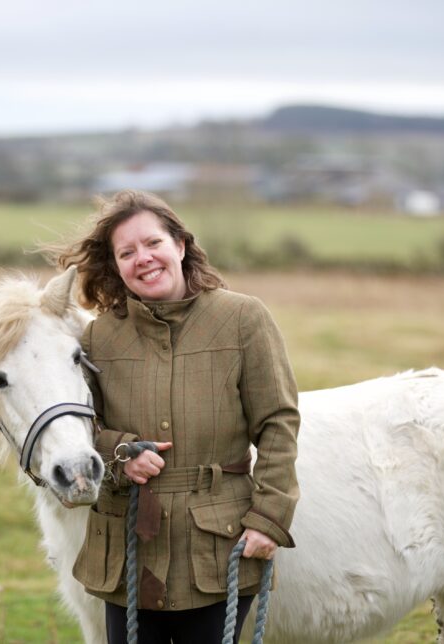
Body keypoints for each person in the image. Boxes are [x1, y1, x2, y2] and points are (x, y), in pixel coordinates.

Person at [57, 190, 300, 644]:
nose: (142, 259)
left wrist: (269, 518)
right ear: (115, 266)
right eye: (126, 252)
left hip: (217, 545)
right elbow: (83, 431)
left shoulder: (244, 319)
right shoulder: (99, 338)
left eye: (152, 243)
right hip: (127, 550)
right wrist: (121, 453)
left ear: (181, 245)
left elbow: (278, 424)